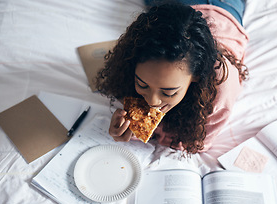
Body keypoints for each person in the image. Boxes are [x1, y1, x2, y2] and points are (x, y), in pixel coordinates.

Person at [95, 0, 249, 154]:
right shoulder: (134, 57)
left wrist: (147, 132)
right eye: (142, 85)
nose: (152, 101)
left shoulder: (220, 87)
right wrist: (131, 127)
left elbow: (197, 144)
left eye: (168, 92)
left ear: (196, 76)